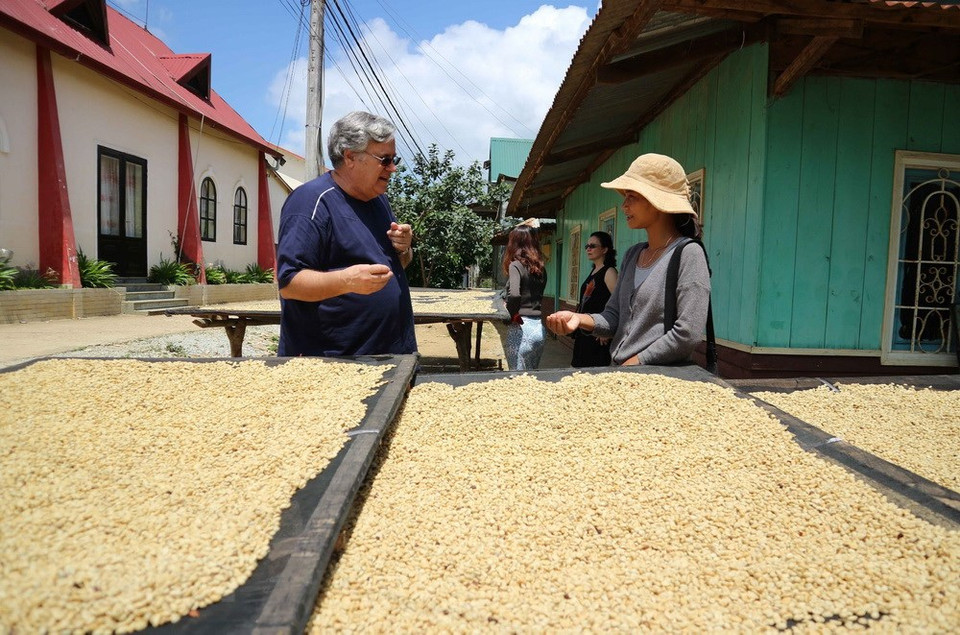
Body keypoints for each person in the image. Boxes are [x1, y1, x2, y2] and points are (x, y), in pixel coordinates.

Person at [275, 111, 417, 357]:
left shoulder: (379, 200)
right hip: (336, 367)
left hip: (391, 356)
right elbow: (290, 283)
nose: (392, 169)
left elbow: (394, 267)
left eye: (395, 159)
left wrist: (403, 249)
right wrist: (347, 280)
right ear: (350, 157)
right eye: (384, 160)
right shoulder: (310, 202)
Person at [546, 153, 710, 366]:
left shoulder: (689, 254)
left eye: (632, 196)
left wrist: (636, 362)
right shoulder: (633, 254)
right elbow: (614, 316)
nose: (624, 205)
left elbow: (688, 333)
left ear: (657, 201)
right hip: (624, 376)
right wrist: (579, 319)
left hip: (661, 384)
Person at [503, 225, 548, 370]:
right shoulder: (541, 269)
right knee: (531, 379)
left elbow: (514, 295)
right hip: (538, 329)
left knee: (517, 380)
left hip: (521, 328)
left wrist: (510, 315)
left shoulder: (515, 265)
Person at [571, 231, 618, 367]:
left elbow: (619, 302)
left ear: (604, 249)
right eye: (587, 246)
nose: (588, 249)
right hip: (584, 334)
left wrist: (608, 331)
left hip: (599, 336)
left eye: (593, 246)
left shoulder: (609, 272)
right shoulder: (594, 270)